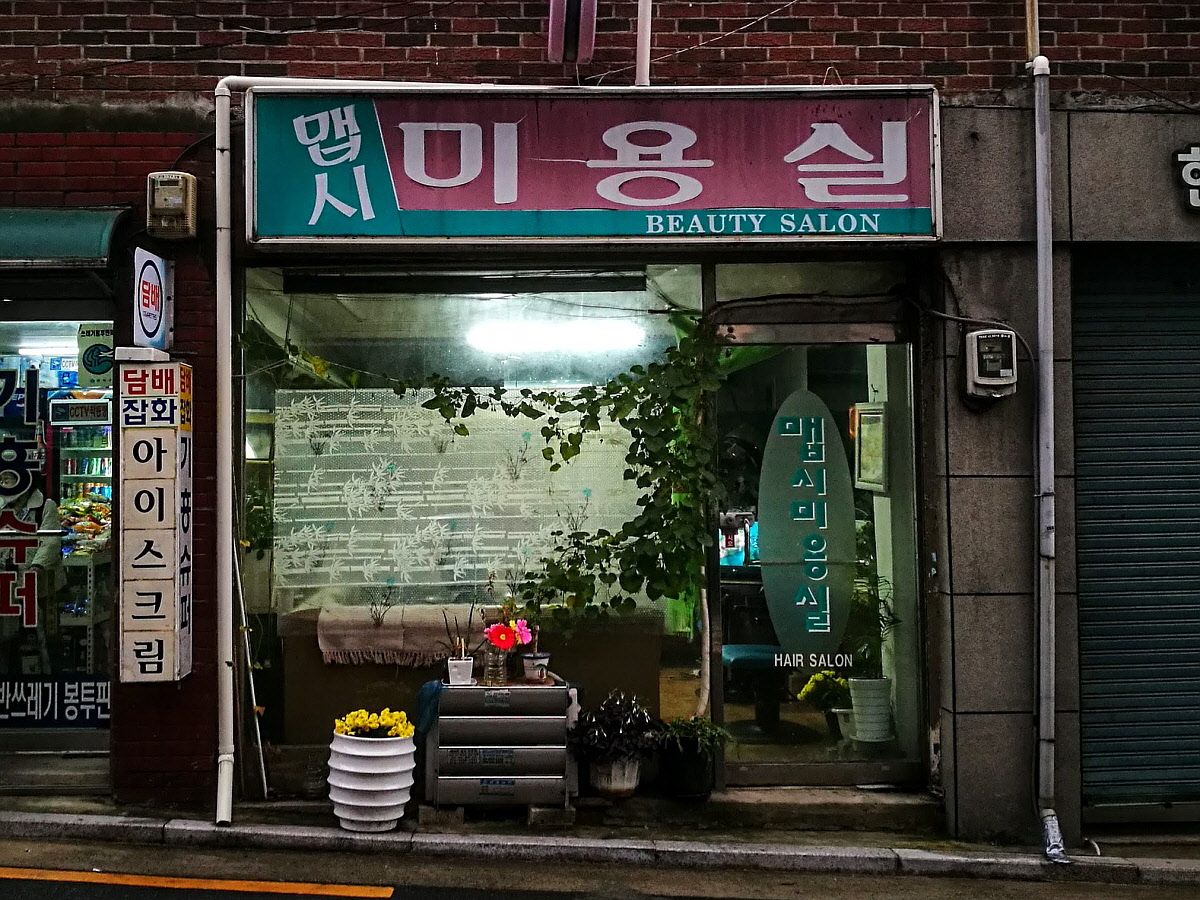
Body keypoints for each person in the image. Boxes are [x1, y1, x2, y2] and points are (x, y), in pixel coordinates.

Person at [0, 483, 64, 675]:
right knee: (8, 637)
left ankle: (47, 678)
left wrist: (36, 567)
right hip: (8, 584)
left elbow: (50, 543)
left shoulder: (45, 505)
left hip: (39, 584)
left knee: (42, 637)